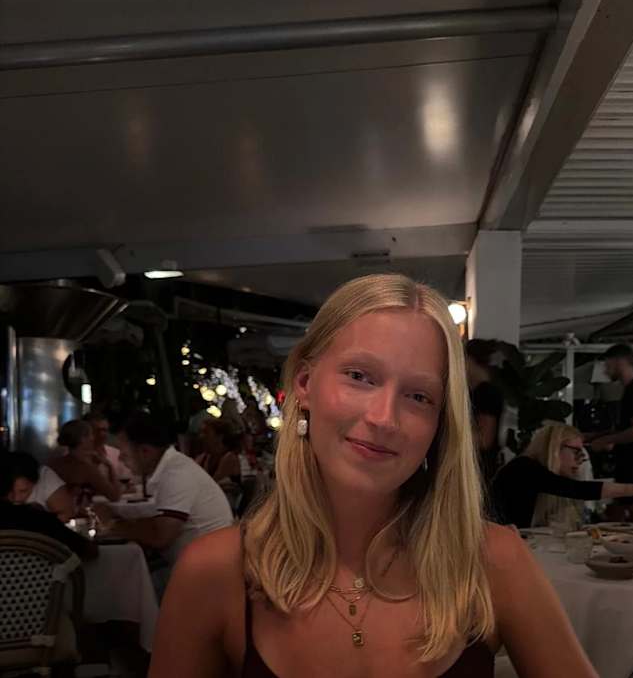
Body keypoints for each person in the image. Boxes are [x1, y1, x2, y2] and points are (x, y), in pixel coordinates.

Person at [149, 274, 597, 678]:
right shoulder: (214, 572)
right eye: (360, 376)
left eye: (419, 396)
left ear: (440, 424)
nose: (384, 418)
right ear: (305, 383)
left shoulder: (493, 561)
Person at [91, 412, 234, 567]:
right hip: (202, 560)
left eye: (123, 453)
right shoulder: (172, 467)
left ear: (145, 452)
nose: (120, 459)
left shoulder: (176, 473)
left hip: (209, 567)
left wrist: (114, 524)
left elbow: (160, 536)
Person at [491, 423, 633, 528]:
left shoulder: (536, 473)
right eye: (576, 451)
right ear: (555, 448)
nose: (580, 459)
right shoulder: (524, 468)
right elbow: (580, 490)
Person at [589, 344, 633, 502]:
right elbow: (626, 427)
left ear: (619, 361)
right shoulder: (632, 389)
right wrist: (594, 436)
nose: (605, 371)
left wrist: (605, 440)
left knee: (628, 508)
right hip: (630, 465)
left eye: (607, 365)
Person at [0, 453, 98, 560]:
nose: (16, 498)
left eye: (23, 491)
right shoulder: (40, 519)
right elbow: (89, 551)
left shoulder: (38, 517)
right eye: (10, 492)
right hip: (39, 569)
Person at [49, 420, 123, 503]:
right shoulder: (86, 468)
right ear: (83, 439)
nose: (93, 438)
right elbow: (115, 496)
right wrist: (110, 466)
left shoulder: (53, 464)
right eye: (91, 434)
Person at [84, 411, 134, 484]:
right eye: (97, 430)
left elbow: (128, 482)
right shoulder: (74, 456)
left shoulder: (116, 454)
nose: (102, 434)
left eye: (105, 430)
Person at [195, 418, 242, 485]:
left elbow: (211, 484)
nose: (201, 436)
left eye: (206, 432)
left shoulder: (230, 458)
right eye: (201, 432)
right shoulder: (203, 457)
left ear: (219, 437)